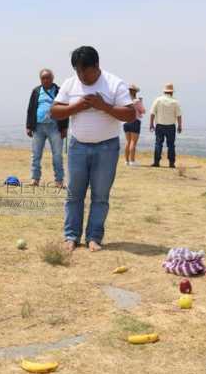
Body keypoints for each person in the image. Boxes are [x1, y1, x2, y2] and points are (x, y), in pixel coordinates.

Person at [51, 46, 135, 252]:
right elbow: (55, 111)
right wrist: (77, 107)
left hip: (107, 148)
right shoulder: (70, 84)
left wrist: (103, 105)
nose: (81, 76)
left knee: (100, 196)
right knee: (74, 194)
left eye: (85, 71)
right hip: (77, 147)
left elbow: (130, 114)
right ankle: (71, 236)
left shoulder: (114, 83)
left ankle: (94, 237)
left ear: (96, 66)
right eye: (77, 71)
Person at [26, 68, 68, 188]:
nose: (45, 80)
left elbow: (65, 109)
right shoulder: (36, 91)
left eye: (48, 77)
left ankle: (59, 181)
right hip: (38, 127)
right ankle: (35, 179)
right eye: (43, 78)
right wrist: (29, 126)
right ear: (40, 79)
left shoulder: (59, 91)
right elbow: (31, 109)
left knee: (57, 155)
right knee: (36, 154)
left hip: (55, 126)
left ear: (52, 78)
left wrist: (64, 127)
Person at [150, 83, 183, 168]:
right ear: (171, 92)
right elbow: (179, 115)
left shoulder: (158, 100)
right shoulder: (175, 102)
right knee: (171, 145)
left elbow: (152, 113)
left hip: (160, 125)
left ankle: (156, 162)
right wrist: (179, 126)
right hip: (171, 126)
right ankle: (171, 163)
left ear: (164, 91)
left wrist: (151, 124)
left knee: (158, 144)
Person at [122, 84, 145, 166]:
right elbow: (143, 111)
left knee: (128, 141)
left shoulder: (124, 100)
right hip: (135, 121)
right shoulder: (137, 101)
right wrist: (141, 102)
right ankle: (132, 161)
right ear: (135, 92)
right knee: (133, 142)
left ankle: (126, 161)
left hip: (125, 122)